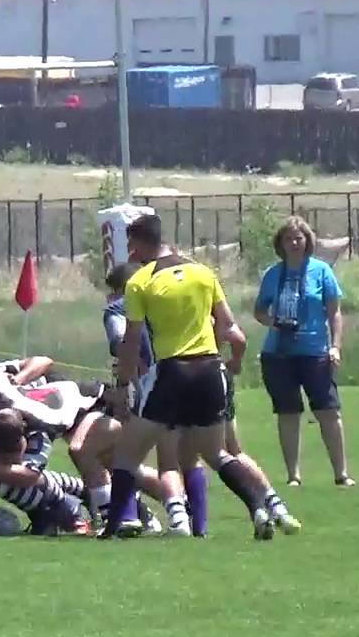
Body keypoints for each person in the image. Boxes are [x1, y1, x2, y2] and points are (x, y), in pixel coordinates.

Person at [105, 213, 273, 540]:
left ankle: (113, 526)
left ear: (137, 244)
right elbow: (230, 329)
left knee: (126, 452)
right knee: (216, 454)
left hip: (172, 373)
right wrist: (234, 362)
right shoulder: (203, 272)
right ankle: (258, 508)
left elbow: (130, 342)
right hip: (210, 369)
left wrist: (124, 386)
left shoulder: (141, 282)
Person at [254, 217, 353, 487]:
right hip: (278, 353)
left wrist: (335, 346)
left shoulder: (321, 271)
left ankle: (341, 474)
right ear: (281, 244)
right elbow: (259, 311)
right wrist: (275, 322)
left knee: (328, 411)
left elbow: (334, 312)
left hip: (315, 351)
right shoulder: (273, 274)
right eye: (289, 239)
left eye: (299, 238)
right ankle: (293, 475)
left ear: (308, 241)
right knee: (288, 413)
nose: (294, 243)